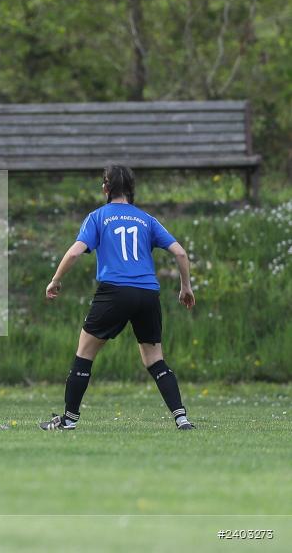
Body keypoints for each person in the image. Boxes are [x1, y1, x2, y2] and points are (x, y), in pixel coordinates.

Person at [40, 165, 196, 431]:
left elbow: (76, 252)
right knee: (155, 359)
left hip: (114, 291)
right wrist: (186, 287)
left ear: (105, 187)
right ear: (131, 189)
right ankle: (182, 418)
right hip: (148, 293)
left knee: (85, 353)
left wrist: (55, 280)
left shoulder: (98, 217)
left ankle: (68, 421)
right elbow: (180, 253)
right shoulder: (147, 219)